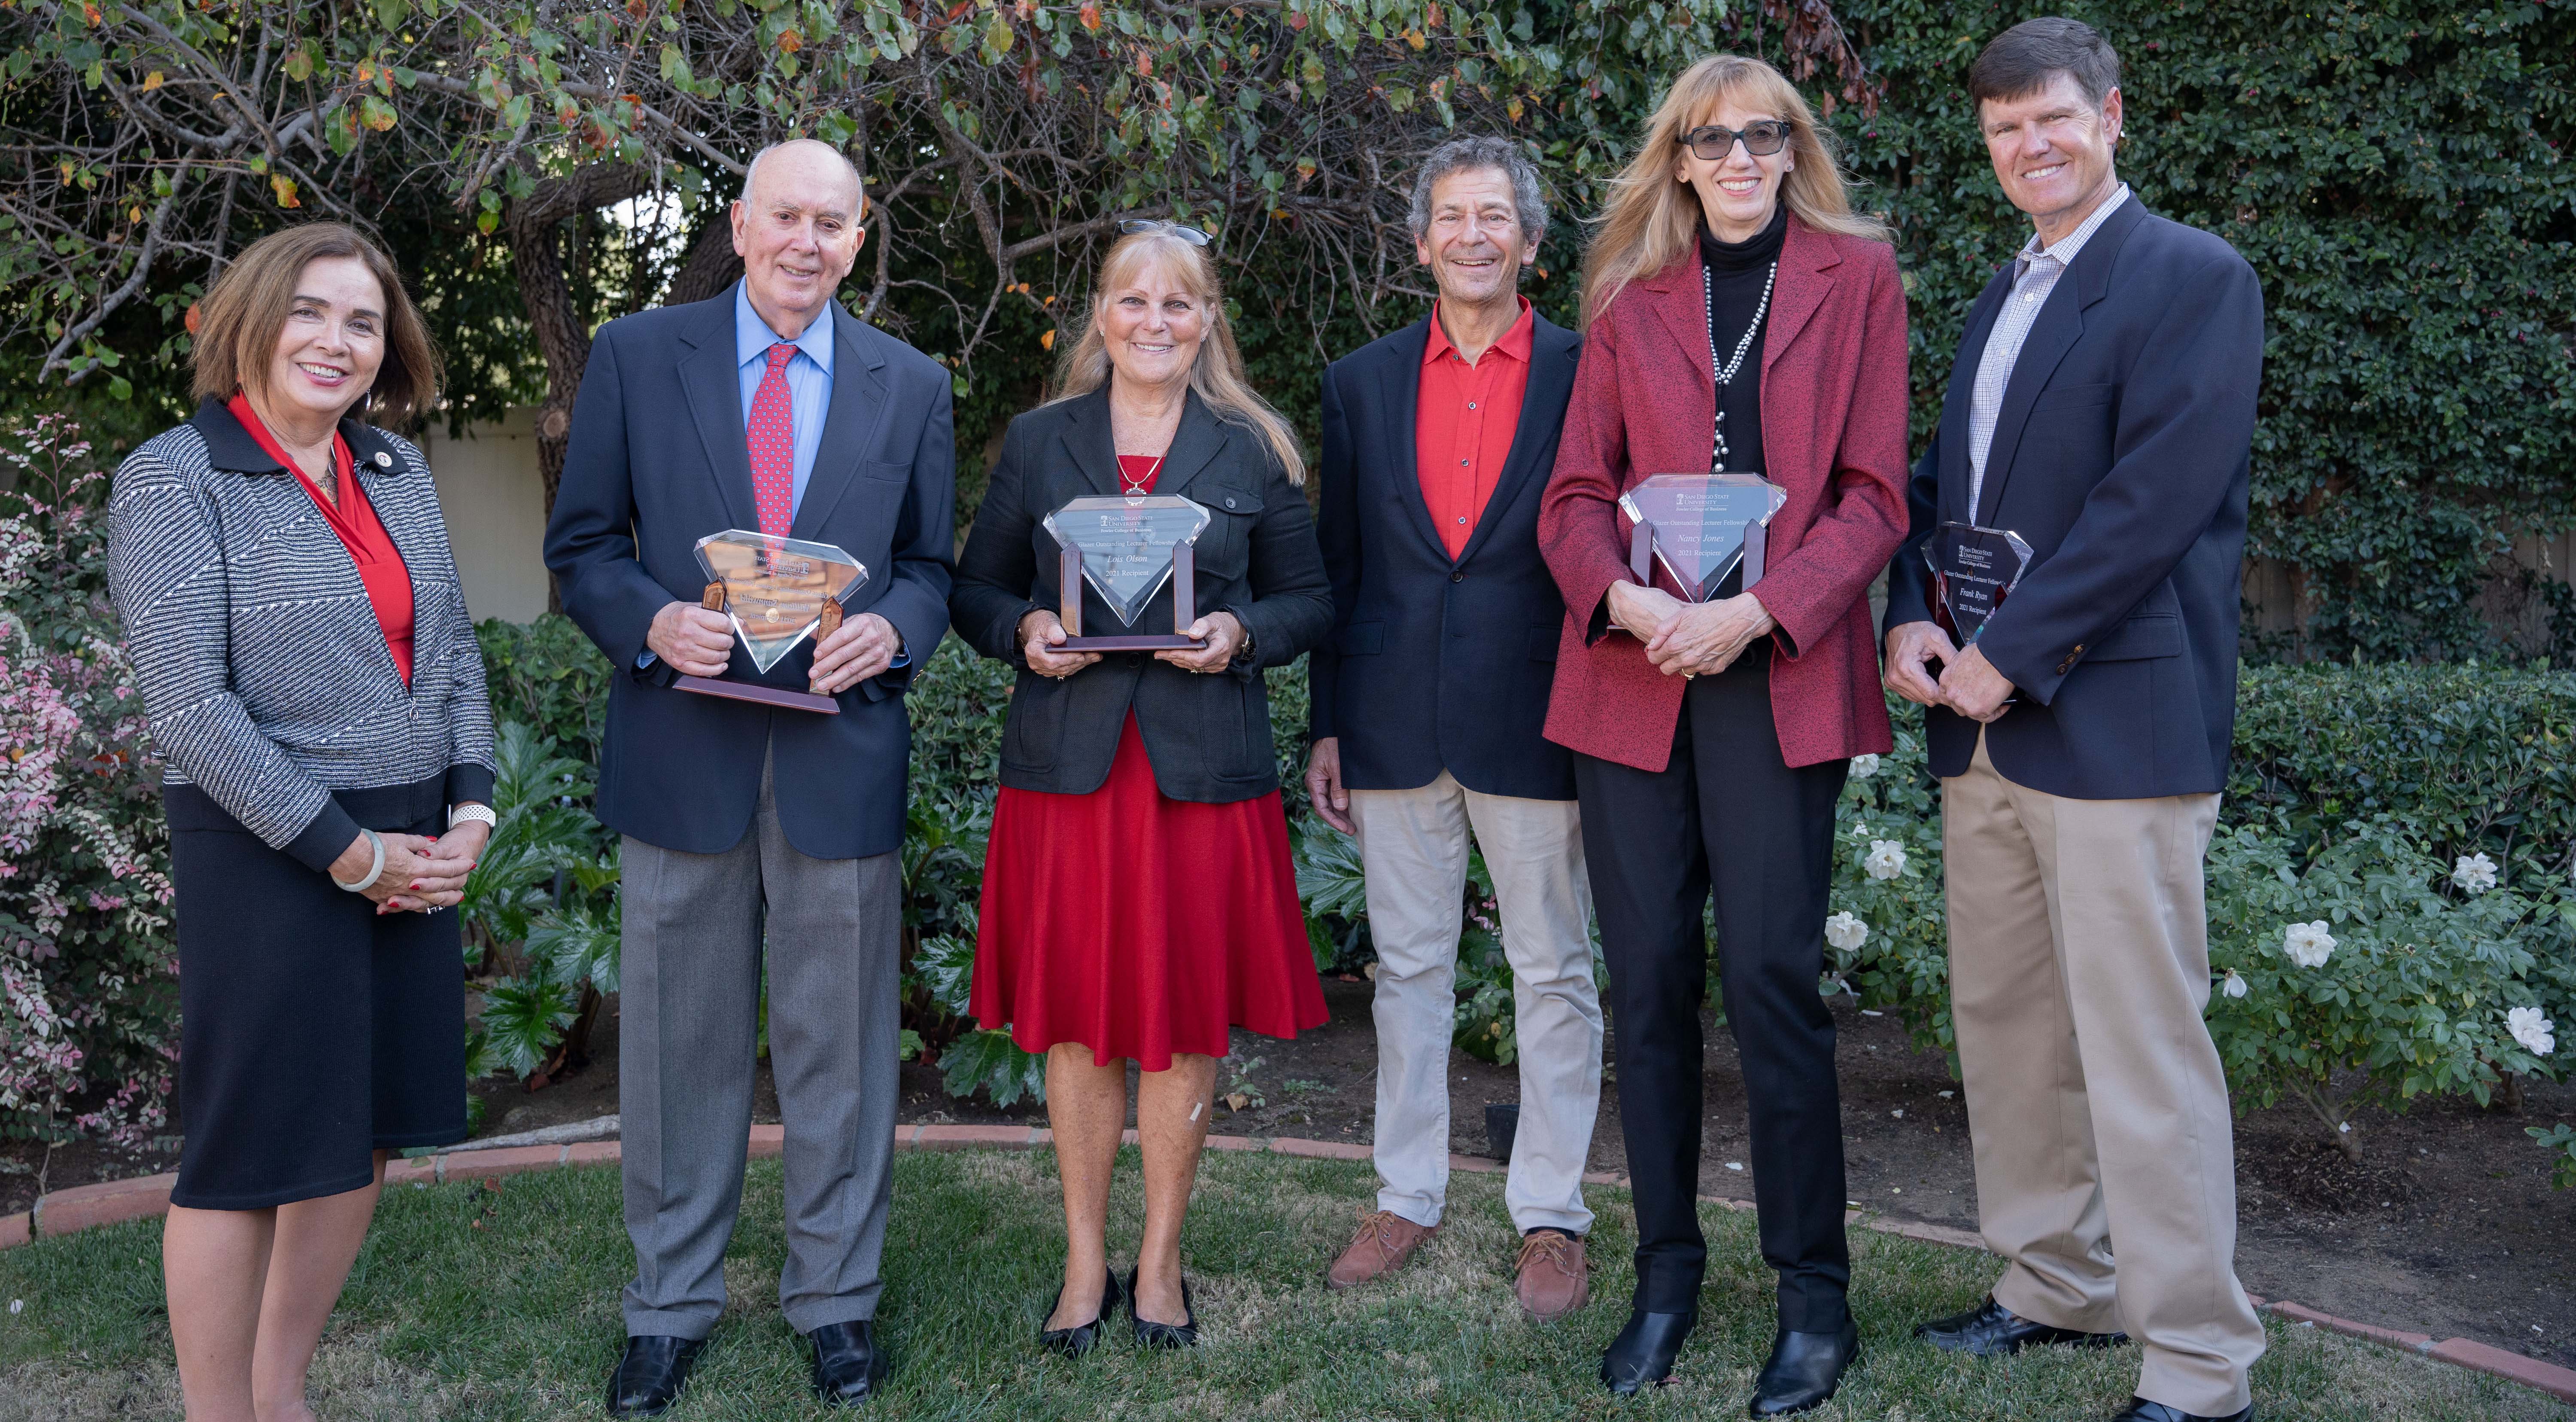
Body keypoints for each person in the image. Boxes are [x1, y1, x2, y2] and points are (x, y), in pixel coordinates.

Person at [1881, 20, 2267, 1422]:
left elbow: (2156, 503)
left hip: (2113, 725)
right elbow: (1949, 486)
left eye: (2052, 121)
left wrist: (2009, 652)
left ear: (2112, 116)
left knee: (2143, 1053)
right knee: (2010, 1028)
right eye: (2003, 131)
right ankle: (2057, 1284)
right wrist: (1913, 615)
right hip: (1981, 722)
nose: (2029, 147)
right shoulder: (2007, 288)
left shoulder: (2191, 277)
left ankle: (2202, 1365)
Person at [544, 139, 956, 1414]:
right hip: (684, 750)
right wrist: (648, 622)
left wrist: (895, 628)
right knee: (678, 1043)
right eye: (786, 214)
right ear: (741, 220)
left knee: (841, 1048)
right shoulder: (634, 356)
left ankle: (835, 1300)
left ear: (860, 234)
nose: (806, 241)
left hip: (839, 755)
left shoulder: (912, 381)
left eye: (832, 222)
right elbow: (582, 547)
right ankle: (668, 1305)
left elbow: (930, 569)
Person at [1537, 54, 1910, 1412]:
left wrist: (1755, 613)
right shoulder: (1630, 296)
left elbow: (1874, 499)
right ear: (1680, 158)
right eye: (1714, 140)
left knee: (1768, 981)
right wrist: (1630, 602)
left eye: (1766, 136)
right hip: (1637, 678)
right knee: (1645, 987)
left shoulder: (1854, 280)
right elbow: (1573, 497)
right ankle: (1666, 1280)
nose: (1741, 159)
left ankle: (1816, 1300)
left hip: (1778, 669)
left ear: (1793, 148)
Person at [107, 222, 494, 1422]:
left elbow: (454, 648)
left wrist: (471, 806)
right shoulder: (175, 476)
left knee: (365, 1136)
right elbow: (190, 706)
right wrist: (350, 853)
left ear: (390, 349)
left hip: (415, 845)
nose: (336, 341)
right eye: (311, 312)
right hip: (270, 848)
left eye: (364, 321)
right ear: (255, 321)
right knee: (246, 1159)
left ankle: (282, 1396)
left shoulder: (394, 471)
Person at [951, 221, 1332, 1357]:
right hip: (1070, 772)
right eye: (1131, 301)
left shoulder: (1252, 447)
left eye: (1178, 303)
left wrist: (1238, 631)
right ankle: (1082, 1262)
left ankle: (1159, 1263)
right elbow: (975, 589)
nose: (1154, 322)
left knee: (1177, 1026)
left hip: (1198, 777)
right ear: (1100, 318)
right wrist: (1023, 627)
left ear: (1207, 318)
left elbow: (1309, 603)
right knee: (1075, 1021)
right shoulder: (1039, 441)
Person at [1304, 137, 1602, 1321]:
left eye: (1498, 217)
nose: (1473, 235)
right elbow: (1342, 563)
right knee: (1409, 971)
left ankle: (1552, 1215)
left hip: (1538, 714)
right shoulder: (1360, 381)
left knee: (1553, 970)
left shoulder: (1592, 370)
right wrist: (1328, 719)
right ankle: (1407, 1195)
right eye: (1452, 217)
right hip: (1387, 718)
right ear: (1420, 241)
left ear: (1531, 244)